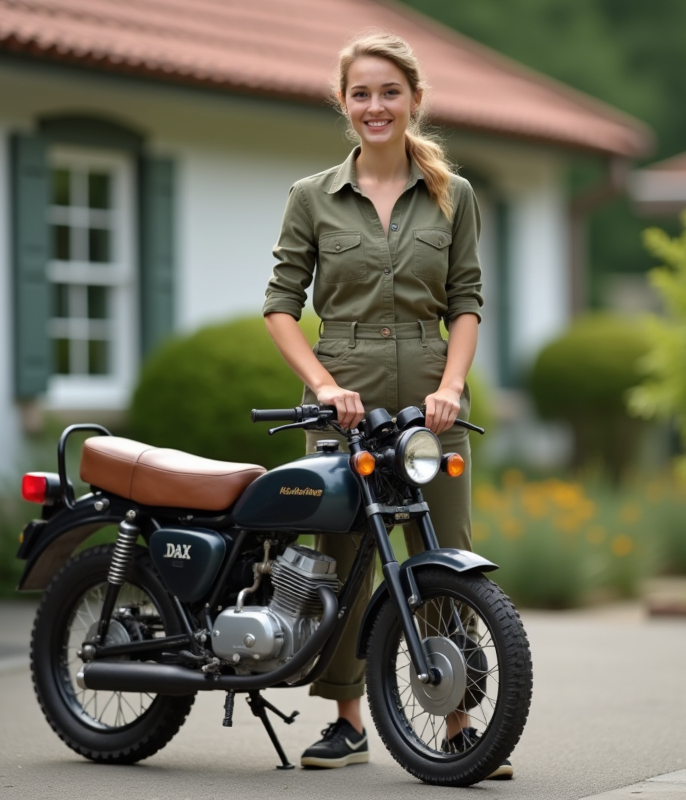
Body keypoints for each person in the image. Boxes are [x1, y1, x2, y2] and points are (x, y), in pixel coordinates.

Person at [262, 31, 511, 780]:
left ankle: (459, 719)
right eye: (362, 93)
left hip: (430, 397)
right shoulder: (311, 197)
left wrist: (452, 386)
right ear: (343, 103)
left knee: (443, 551)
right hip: (340, 393)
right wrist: (325, 386)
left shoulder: (452, 194)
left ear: (414, 102)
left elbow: (466, 300)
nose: (376, 106)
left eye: (389, 92)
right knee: (340, 556)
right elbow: (279, 306)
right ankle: (346, 721)